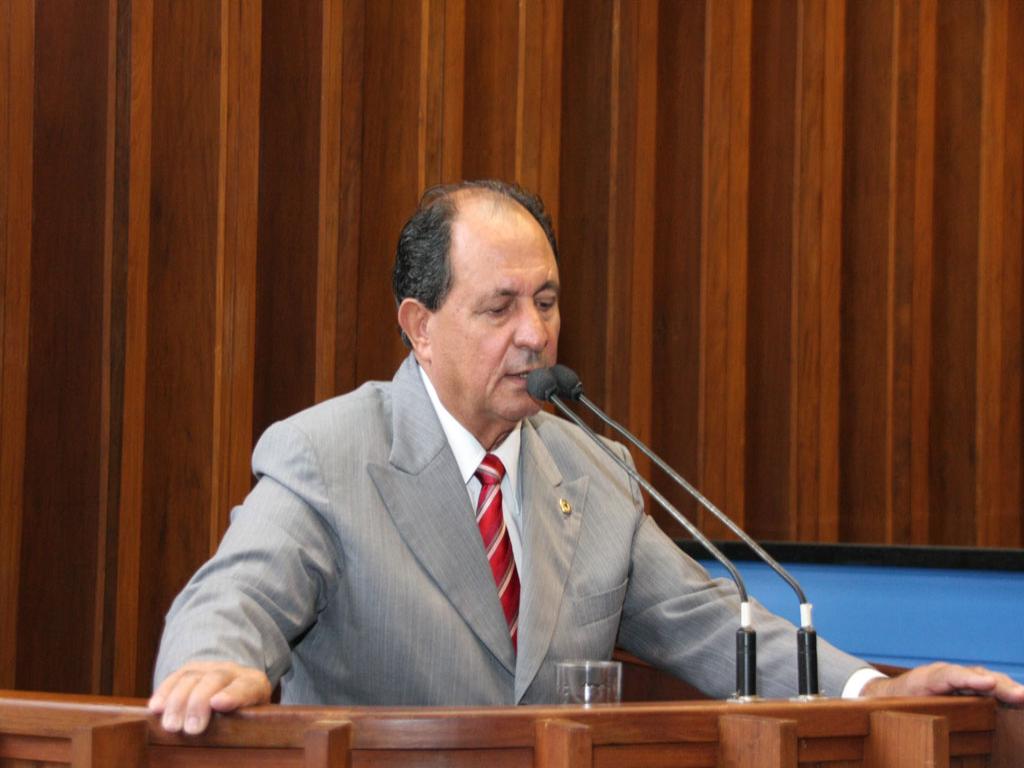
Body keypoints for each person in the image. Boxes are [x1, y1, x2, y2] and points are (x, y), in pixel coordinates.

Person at [150, 180, 1024, 735]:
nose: (534, 333)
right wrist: (210, 663)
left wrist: (872, 690)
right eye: (499, 308)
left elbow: (712, 626)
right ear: (420, 327)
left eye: (547, 300)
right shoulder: (327, 454)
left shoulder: (594, 470)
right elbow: (240, 593)